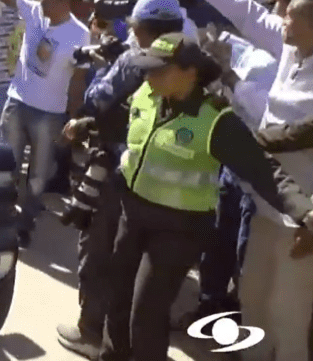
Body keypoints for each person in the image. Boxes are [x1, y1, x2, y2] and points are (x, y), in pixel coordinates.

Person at [98, 32, 313, 361]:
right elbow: (127, 129)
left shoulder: (216, 121)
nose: (149, 75)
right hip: (134, 214)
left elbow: (264, 170)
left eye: (159, 70)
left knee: (146, 313)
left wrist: (305, 211)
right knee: (117, 296)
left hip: (179, 229)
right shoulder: (147, 94)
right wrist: (85, 125)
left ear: (190, 72)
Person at [164, 0, 313, 361]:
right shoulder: (291, 49)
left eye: (291, 14)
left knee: (290, 313)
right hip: (267, 201)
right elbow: (247, 11)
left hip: (303, 219)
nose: (280, 18)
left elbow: (291, 135)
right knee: (253, 299)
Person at [55, 0, 185, 359]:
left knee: (99, 248)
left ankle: (91, 330)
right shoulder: (193, 60)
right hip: (166, 181)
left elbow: (97, 100)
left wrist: (102, 72)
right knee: (141, 262)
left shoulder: (134, 60)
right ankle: (126, 337)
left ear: (142, 28)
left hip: (116, 168)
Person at [0, 0, 91, 247]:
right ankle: (2, 217)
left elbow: (78, 81)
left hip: (50, 115)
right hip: (16, 105)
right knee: (9, 167)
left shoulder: (79, 35)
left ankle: (25, 222)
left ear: (64, 2)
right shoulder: (32, 12)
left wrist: (72, 120)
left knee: (38, 176)